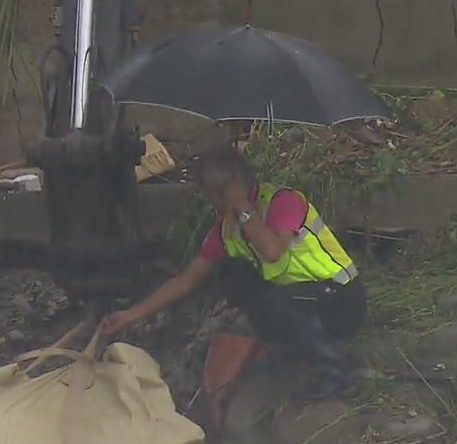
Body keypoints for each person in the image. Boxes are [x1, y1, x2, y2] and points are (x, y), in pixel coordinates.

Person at [100, 145, 367, 400]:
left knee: (275, 301)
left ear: (230, 186)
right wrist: (130, 315)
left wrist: (243, 208)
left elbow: (272, 251)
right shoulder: (226, 229)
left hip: (339, 297)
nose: (209, 199)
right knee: (235, 274)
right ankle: (294, 351)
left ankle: (338, 373)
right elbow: (186, 281)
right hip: (298, 300)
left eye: (213, 191)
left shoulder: (283, 202)